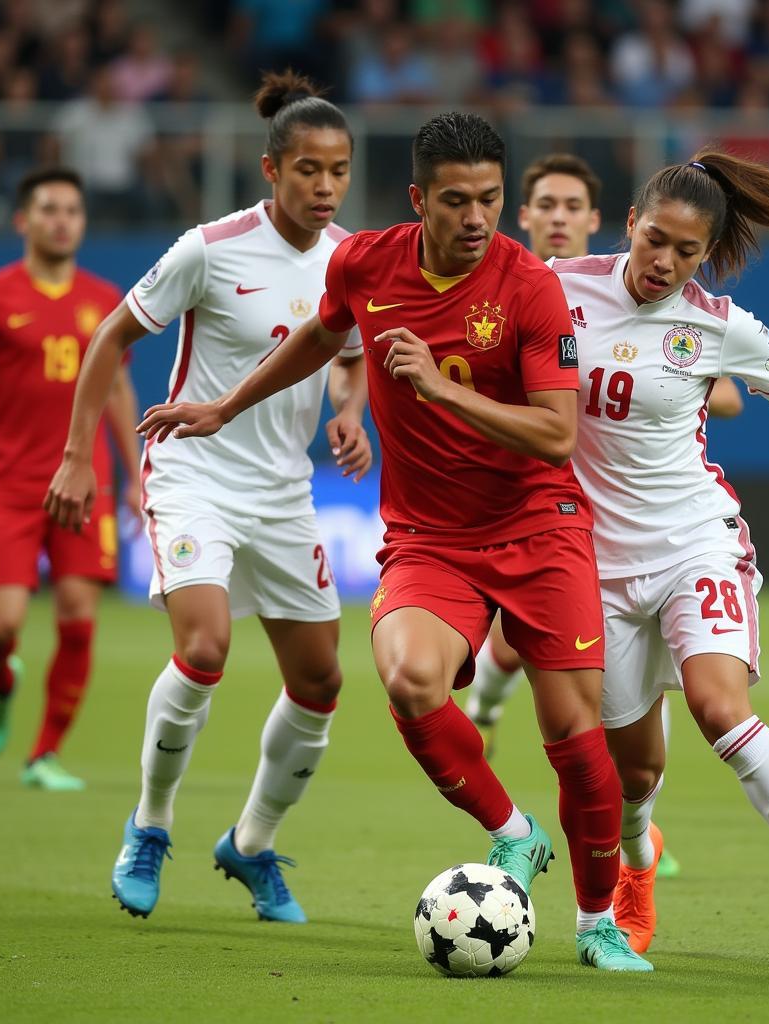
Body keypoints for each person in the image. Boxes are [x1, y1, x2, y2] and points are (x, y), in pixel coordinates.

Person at [138, 111, 654, 972]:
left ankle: (597, 921)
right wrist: (227, 405)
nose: (478, 217)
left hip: (539, 530)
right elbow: (321, 333)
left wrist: (443, 394)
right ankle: (513, 833)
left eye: (491, 198)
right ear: (420, 200)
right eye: (457, 200)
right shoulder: (363, 261)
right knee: (411, 681)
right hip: (430, 537)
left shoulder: (529, 288)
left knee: (576, 739)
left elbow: (558, 435)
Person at [550, 150, 769, 960]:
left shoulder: (719, 324)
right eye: (656, 242)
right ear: (631, 223)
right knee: (632, 775)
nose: (664, 263)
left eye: (686, 252)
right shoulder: (559, 286)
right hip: (594, 565)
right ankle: (638, 860)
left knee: (719, 710)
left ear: (705, 254)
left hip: (694, 541)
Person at [44, 71, 370, 925]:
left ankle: (252, 845)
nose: (326, 186)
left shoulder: (353, 260)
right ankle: (149, 826)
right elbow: (112, 336)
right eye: (308, 170)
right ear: (272, 170)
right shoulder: (209, 247)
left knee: (322, 680)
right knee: (206, 646)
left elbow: (345, 352)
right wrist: (79, 456)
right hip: (193, 469)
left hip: (284, 491)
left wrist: (348, 412)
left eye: (338, 170)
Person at [465, 151, 743, 881]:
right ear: (523, 217)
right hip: (525, 503)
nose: (557, 217)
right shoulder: (524, 286)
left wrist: (639, 381)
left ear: (596, 220)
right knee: (540, 673)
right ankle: (499, 735)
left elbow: (726, 390)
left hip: (606, 524)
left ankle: (625, 834)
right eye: (545, 206)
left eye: (570, 207)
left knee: (597, 699)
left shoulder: (643, 293)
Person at [0, 166, 141, 791]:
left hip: (86, 487)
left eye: (72, 210)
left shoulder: (105, 301)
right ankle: (0, 680)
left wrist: (132, 475)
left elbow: (120, 389)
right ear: (23, 220)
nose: (61, 220)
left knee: (78, 616)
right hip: (10, 486)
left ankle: (43, 754)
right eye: (48, 209)